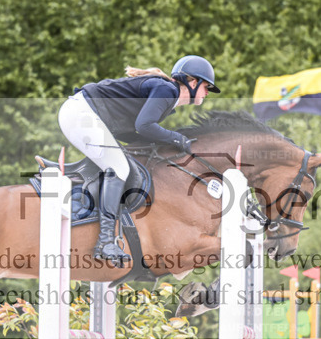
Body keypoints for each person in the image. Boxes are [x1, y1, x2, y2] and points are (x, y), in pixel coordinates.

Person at [60, 55, 219, 265]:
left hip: (84, 113)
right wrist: (178, 139)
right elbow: (144, 126)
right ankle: (105, 241)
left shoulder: (166, 94)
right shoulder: (167, 91)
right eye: (206, 86)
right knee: (118, 168)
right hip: (82, 114)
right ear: (193, 82)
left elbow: (132, 131)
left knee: (121, 162)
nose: (207, 92)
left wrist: (164, 143)